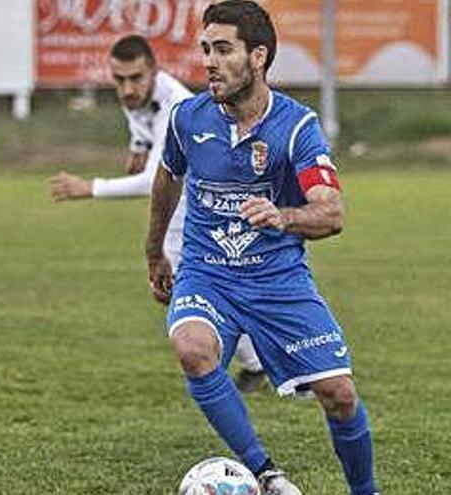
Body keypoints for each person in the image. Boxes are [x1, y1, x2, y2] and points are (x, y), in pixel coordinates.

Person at [145, 2, 378, 494]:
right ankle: (267, 474)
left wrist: (284, 216)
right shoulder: (188, 118)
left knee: (339, 395)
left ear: (258, 57)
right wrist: (154, 251)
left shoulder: (297, 128)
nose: (209, 61)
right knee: (191, 347)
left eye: (223, 50)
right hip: (208, 273)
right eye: (206, 49)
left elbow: (331, 213)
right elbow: (167, 177)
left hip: (278, 280)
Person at [50, 34, 266, 392]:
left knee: (185, 285)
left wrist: (90, 187)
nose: (127, 88)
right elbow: (138, 124)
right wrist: (137, 144)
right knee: (190, 284)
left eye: (135, 78)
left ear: (154, 71)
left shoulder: (175, 107)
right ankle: (257, 360)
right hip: (184, 196)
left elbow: (154, 180)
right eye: (119, 79)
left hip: (198, 196)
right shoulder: (135, 96)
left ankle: (257, 362)